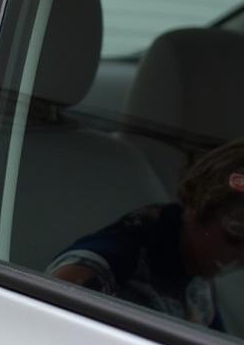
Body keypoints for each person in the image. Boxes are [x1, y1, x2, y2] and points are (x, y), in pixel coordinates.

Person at [48, 137, 244, 331]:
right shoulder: (105, 266)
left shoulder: (196, 272)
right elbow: (49, 322)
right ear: (197, 208)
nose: (240, 257)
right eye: (234, 237)